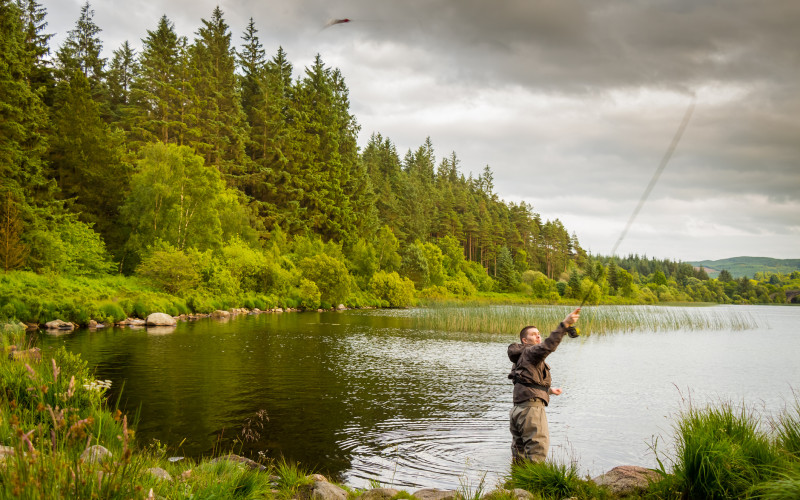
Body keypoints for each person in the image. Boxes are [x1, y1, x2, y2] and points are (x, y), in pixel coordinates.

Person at [507, 308, 580, 463]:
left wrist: (549, 391)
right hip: (531, 410)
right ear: (525, 341)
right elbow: (548, 346)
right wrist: (565, 324)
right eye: (533, 334)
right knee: (537, 452)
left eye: (539, 333)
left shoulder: (520, 357)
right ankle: (534, 486)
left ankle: (516, 486)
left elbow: (525, 381)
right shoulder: (530, 353)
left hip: (518, 410)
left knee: (519, 454)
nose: (538, 335)